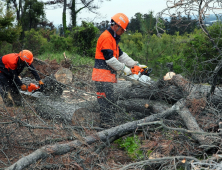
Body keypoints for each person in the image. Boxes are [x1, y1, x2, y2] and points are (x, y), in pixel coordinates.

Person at [92, 13, 147, 128]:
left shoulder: (113, 39)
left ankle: (109, 124)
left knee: (110, 100)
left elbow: (121, 55)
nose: (123, 32)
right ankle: (106, 126)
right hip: (102, 77)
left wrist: (135, 64)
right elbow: (110, 59)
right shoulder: (106, 37)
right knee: (106, 102)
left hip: (107, 77)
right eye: (122, 30)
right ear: (116, 26)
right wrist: (124, 69)